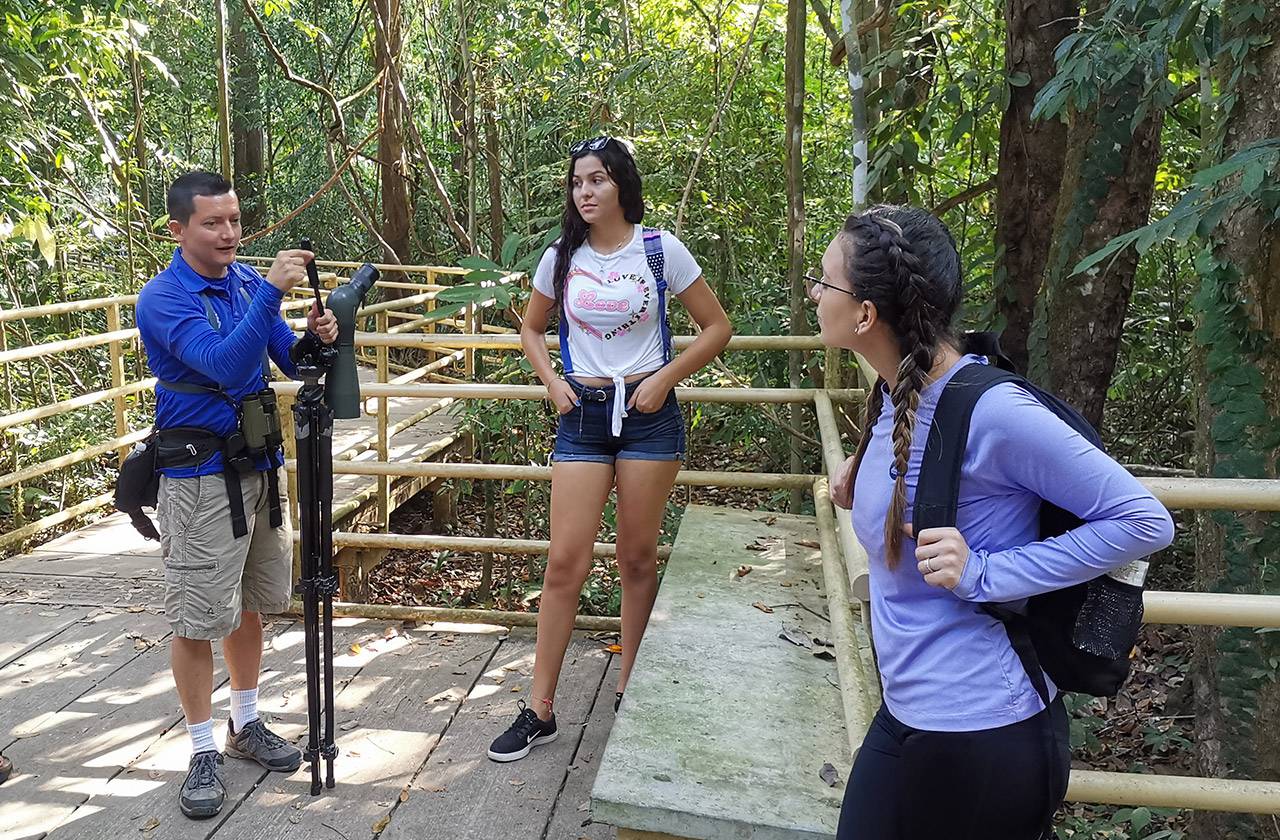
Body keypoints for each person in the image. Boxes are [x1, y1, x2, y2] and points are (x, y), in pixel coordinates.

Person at [811, 205, 1175, 839]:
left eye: (824, 280)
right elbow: (923, 475)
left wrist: (983, 571)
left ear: (865, 314)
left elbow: (1143, 520)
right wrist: (863, 475)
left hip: (983, 729)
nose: (814, 293)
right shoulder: (897, 387)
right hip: (907, 713)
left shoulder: (992, 411)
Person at [487, 137, 732, 762]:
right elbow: (532, 329)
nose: (585, 192)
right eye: (577, 183)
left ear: (621, 184)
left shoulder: (659, 250)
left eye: (597, 180)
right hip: (582, 418)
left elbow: (717, 327)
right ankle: (539, 707)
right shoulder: (562, 257)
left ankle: (630, 689)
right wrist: (552, 384)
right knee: (564, 562)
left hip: (648, 419)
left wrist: (663, 379)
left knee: (636, 558)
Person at [135, 172, 339, 819]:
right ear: (178, 230)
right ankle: (201, 750)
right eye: (212, 223)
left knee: (250, 605)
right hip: (197, 482)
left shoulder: (249, 285)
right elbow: (222, 363)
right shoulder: (164, 298)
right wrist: (272, 292)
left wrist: (316, 338)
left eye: (234, 221)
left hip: (258, 470)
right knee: (198, 617)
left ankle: (244, 724)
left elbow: (291, 362)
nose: (228, 234)